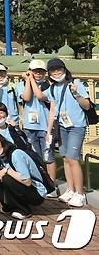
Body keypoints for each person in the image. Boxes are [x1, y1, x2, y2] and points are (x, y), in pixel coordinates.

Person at [44, 58, 91, 208]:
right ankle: (70, 190)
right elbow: (52, 110)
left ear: (64, 69)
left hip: (76, 125)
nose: (57, 72)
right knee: (65, 158)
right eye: (53, 70)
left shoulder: (75, 83)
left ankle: (80, 193)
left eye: (59, 69)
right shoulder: (52, 88)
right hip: (62, 126)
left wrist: (76, 94)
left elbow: (87, 105)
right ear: (49, 73)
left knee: (73, 159)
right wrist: (48, 130)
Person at [0, 129, 46, 219]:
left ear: (0, 139)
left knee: (6, 177)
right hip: (26, 188)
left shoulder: (15, 154)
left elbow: (27, 181)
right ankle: (8, 206)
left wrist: (7, 170)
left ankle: (24, 210)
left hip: (37, 193)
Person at [19, 59, 58, 196]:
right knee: (35, 156)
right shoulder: (22, 84)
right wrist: (29, 81)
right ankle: (41, 182)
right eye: (35, 71)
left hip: (45, 126)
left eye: (41, 71)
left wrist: (32, 81)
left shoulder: (49, 85)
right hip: (30, 126)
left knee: (48, 156)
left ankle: (52, 184)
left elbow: (40, 96)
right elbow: (27, 97)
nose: (38, 74)